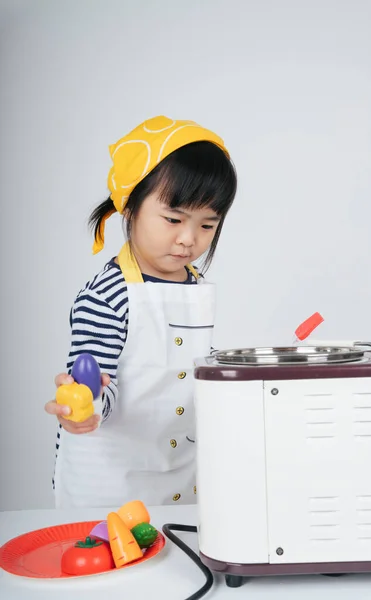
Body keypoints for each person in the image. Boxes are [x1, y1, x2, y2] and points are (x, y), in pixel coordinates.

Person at [45, 115, 237, 508]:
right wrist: (85, 405)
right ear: (131, 207)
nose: (189, 239)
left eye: (207, 225)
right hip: (110, 485)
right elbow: (97, 382)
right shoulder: (106, 296)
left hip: (178, 473)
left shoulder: (194, 285)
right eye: (173, 219)